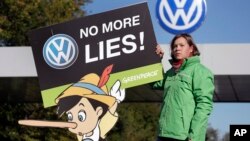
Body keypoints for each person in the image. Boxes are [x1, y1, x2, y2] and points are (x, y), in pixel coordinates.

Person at [152, 34, 215, 141]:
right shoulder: (171, 72)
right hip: (164, 134)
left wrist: (193, 136)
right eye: (175, 46)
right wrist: (156, 60)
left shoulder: (201, 72)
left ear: (191, 48)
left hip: (185, 137)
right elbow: (156, 83)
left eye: (181, 45)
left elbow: (204, 105)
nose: (177, 48)